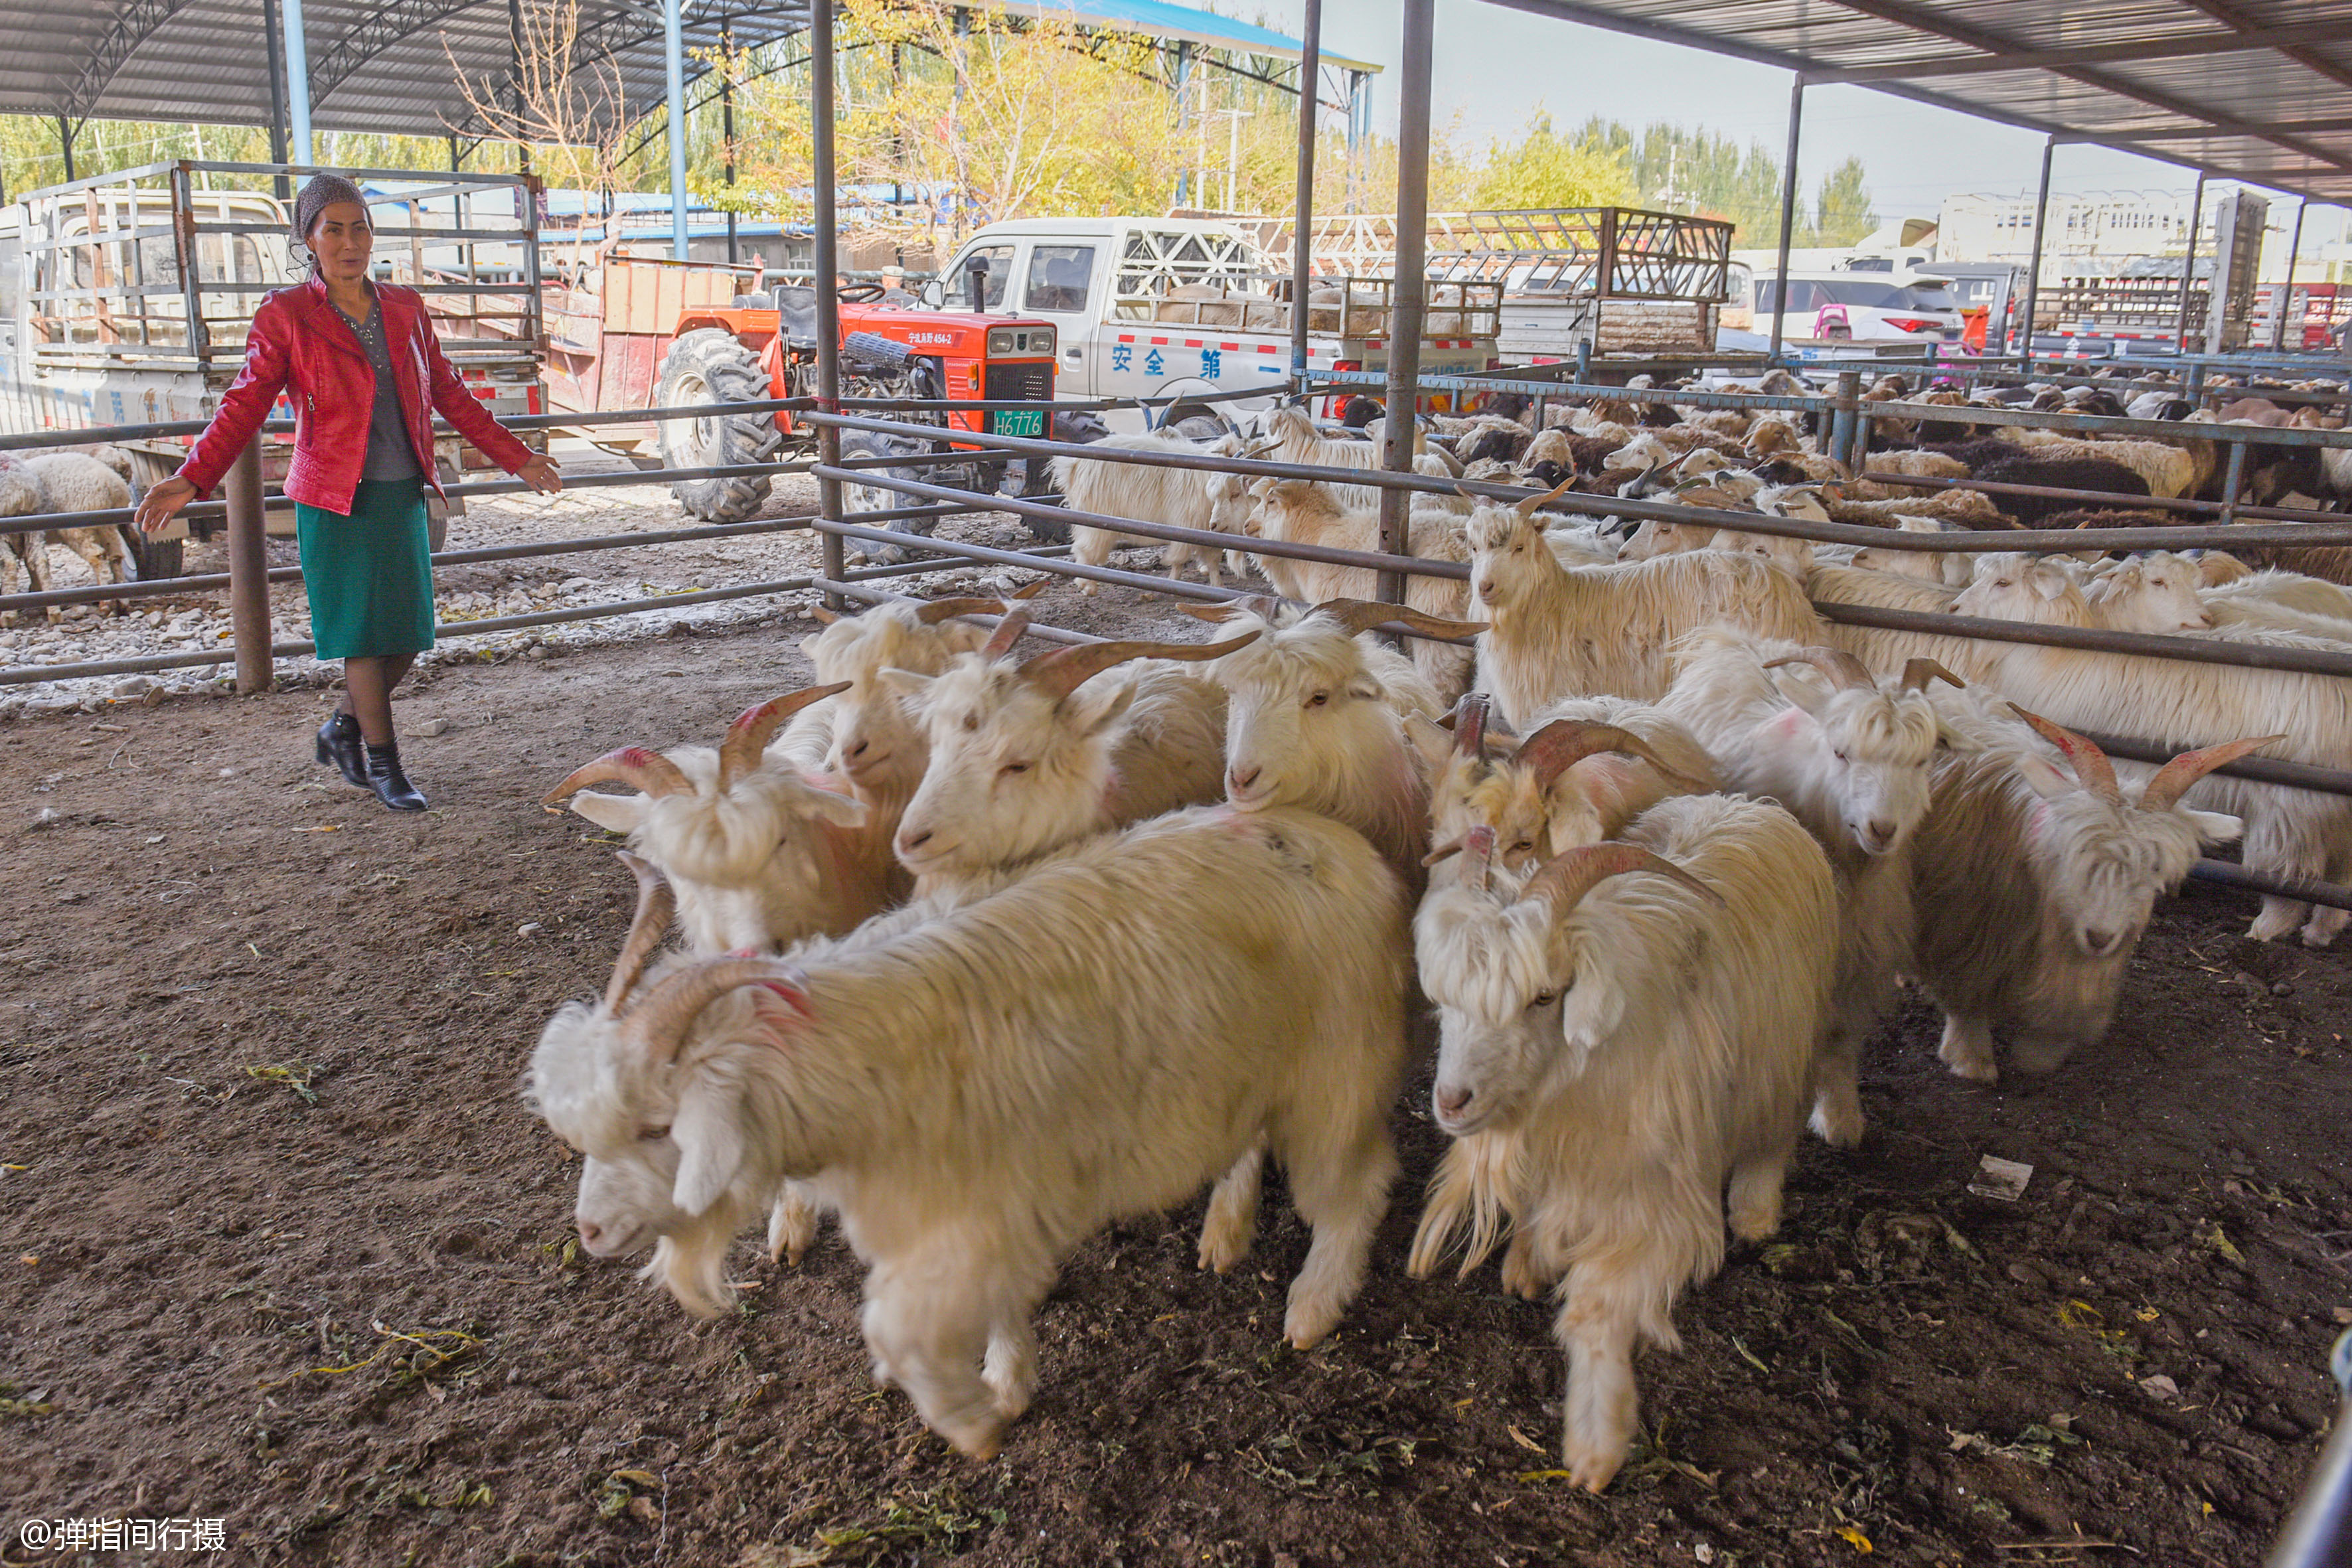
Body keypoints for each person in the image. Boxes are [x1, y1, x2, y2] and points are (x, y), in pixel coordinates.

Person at [134, 173, 560, 811]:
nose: (349, 241)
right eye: (332, 229)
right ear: (308, 240)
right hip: (334, 499)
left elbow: (451, 395)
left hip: (401, 491)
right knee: (361, 636)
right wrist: (192, 476)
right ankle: (385, 766)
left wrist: (517, 458)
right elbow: (244, 404)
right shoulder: (287, 315)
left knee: (409, 633)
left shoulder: (407, 308)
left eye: (358, 226)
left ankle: (341, 728)